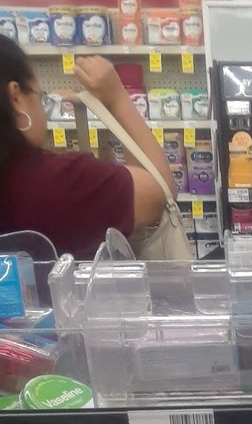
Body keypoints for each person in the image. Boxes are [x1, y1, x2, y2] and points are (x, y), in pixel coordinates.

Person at [0, 36, 176, 258]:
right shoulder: (62, 179)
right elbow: (160, 192)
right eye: (40, 96)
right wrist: (117, 98)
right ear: (16, 98)